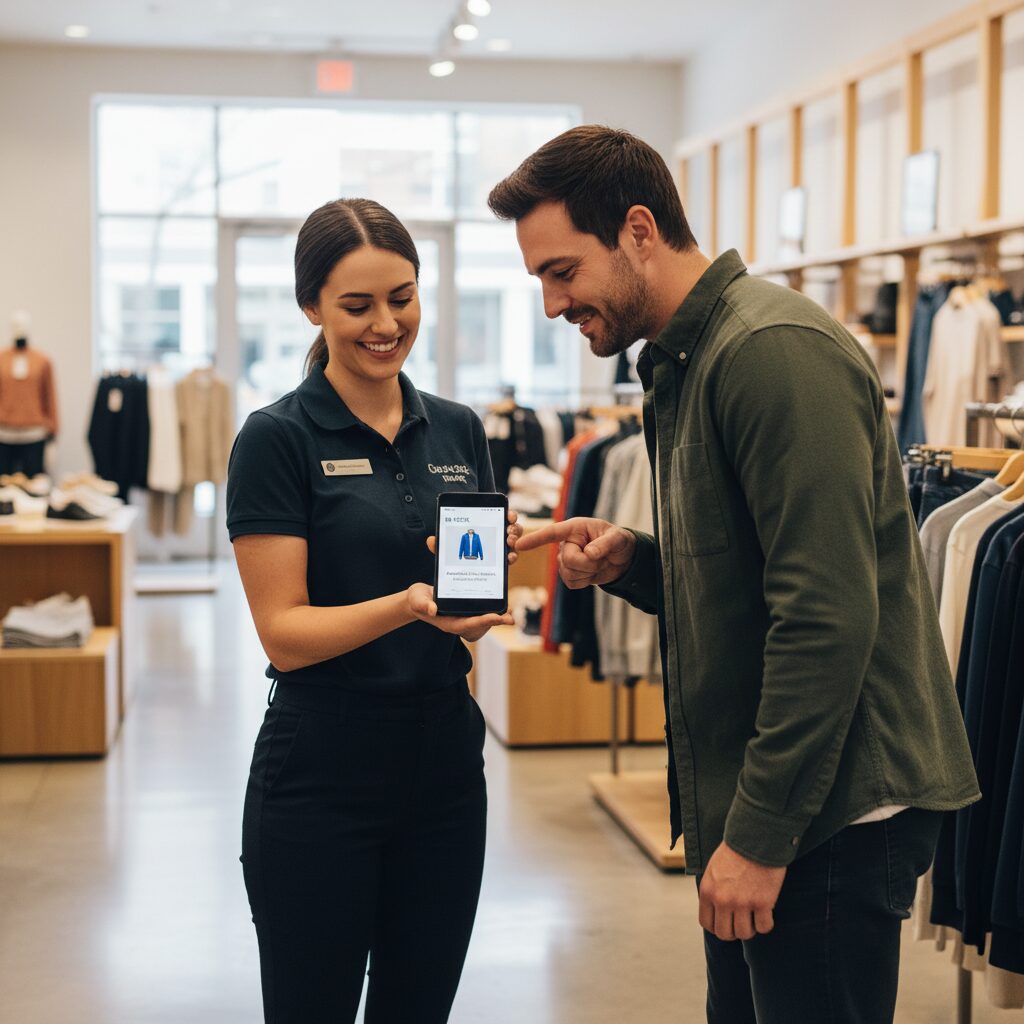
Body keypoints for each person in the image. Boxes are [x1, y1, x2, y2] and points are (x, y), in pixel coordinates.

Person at [495, 126, 980, 1023]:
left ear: (639, 229)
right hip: (789, 803)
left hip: (828, 813)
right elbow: (750, 577)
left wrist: (760, 835)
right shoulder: (689, 363)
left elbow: (826, 616)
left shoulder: (769, 352)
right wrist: (635, 560)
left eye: (562, 271)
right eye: (540, 281)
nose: (553, 304)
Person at [226, 198, 521, 1024]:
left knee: (418, 1008)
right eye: (357, 305)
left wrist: (487, 586)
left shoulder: (458, 429)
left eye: (403, 296)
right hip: (322, 768)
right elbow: (284, 634)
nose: (386, 323)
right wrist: (407, 605)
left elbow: (470, 581)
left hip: (446, 765)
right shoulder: (276, 438)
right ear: (311, 307)